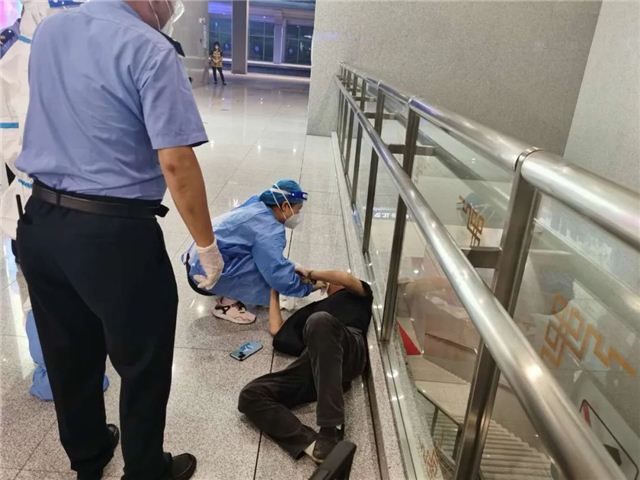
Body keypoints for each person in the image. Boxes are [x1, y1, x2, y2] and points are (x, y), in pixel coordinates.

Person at [15, 1, 224, 479]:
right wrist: (206, 246)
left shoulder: (50, 32)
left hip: (42, 223)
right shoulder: (151, 49)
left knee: (68, 353)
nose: (171, 8)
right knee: (144, 361)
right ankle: (146, 470)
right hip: (114, 237)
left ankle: (89, 457)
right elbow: (176, 162)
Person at [0, 0, 111, 401]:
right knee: (55, 298)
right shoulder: (17, 59)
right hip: (43, 208)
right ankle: (62, 372)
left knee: (60, 296)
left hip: (54, 210)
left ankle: (68, 371)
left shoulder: (17, 56)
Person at [238, 269, 373, 463]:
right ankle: (310, 444)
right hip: (314, 362)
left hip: (349, 346)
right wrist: (274, 291)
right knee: (250, 394)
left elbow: (346, 278)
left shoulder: (358, 296)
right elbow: (276, 330)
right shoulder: (312, 310)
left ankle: (331, 427)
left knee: (320, 321)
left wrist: (311, 273)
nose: (330, 281)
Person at [183, 179, 314, 324]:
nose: (298, 215)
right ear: (285, 206)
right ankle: (227, 305)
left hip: (196, 262)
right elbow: (275, 273)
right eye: (298, 210)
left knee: (263, 259)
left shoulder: (257, 206)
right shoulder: (270, 229)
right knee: (266, 275)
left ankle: (227, 288)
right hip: (205, 278)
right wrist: (307, 287)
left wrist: (292, 266)